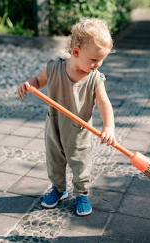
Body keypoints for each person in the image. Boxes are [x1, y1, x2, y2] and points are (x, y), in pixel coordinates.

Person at [17, 18, 116, 216]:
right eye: (95, 59)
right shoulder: (54, 69)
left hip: (79, 131)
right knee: (54, 161)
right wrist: (27, 84)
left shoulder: (94, 78)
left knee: (80, 163)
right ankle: (58, 189)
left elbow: (105, 103)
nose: (98, 64)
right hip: (54, 126)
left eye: (102, 59)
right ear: (76, 52)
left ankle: (81, 193)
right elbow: (37, 80)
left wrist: (109, 127)